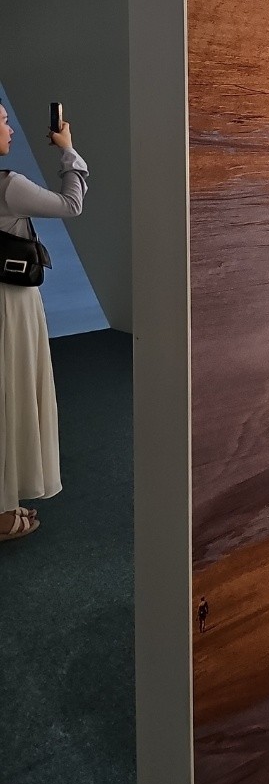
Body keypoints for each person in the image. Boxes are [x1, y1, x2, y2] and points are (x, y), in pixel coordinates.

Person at [0, 103, 88, 541]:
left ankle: (3, 500)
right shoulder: (8, 186)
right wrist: (67, 151)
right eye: (2, 122)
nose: (10, 130)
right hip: (10, 303)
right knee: (12, 395)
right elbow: (71, 204)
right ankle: (3, 511)